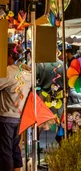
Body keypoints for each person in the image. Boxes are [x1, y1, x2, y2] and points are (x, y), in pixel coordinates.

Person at [0, 43, 31, 171]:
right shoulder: (26, 72)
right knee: (15, 149)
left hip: (6, 116)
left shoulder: (7, 71)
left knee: (5, 151)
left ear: (9, 56)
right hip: (19, 117)